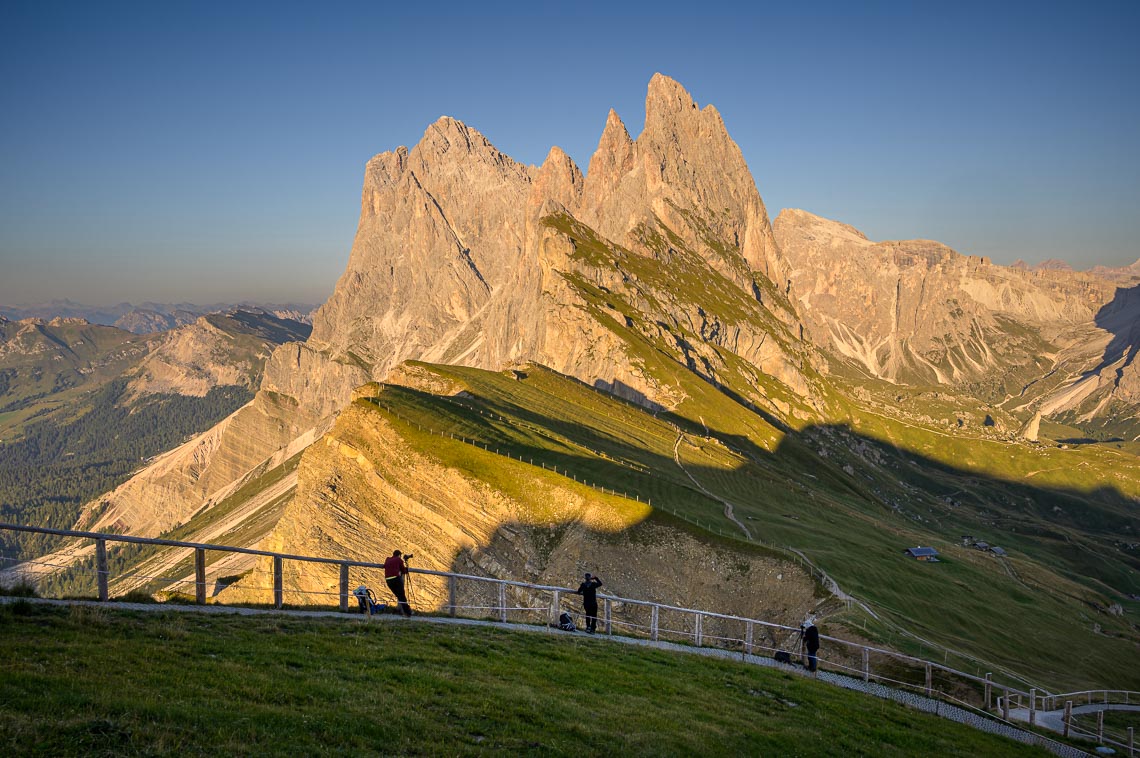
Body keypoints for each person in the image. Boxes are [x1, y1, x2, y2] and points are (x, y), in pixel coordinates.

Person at [383, 550, 413, 617]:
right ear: (399, 555)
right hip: (396, 579)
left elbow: (385, 566)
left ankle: (406, 610)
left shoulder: (387, 559)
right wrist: (406, 569)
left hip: (388, 580)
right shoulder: (399, 560)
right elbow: (403, 570)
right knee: (402, 596)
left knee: (399, 596)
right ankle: (408, 613)